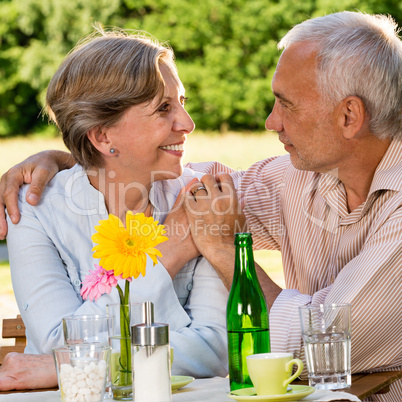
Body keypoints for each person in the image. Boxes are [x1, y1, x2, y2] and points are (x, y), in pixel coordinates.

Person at [0, 11, 401, 401]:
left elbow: (233, 348)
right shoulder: (294, 179)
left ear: (350, 116)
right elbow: (147, 173)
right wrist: (71, 155)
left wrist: (223, 249)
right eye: (164, 107)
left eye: (286, 104)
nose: (270, 121)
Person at [0, 27, 229, 390]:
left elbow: (213, 351)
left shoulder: (199, 200)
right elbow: (57, 344)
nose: (187, 124)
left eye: (182, 102)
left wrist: (83, 362)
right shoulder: (35, 211)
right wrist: (170, 250)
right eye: (164, 108)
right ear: (103, 136)